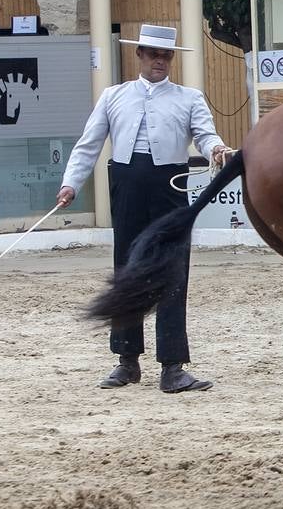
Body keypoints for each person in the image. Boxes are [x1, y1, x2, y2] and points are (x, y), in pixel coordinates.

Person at [57, 25, 230, 393]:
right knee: (127, 269)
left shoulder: (189, 98)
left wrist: (216, 149)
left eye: (166, 55)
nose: (160, 61)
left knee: (172, 271)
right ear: (139, 54)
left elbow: (205, 134)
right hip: (126, 189)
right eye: (153, 54)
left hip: (170, 189)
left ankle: (173, 366)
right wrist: (71, 183)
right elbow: (88, 144)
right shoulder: (113, 96)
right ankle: (127, 360)